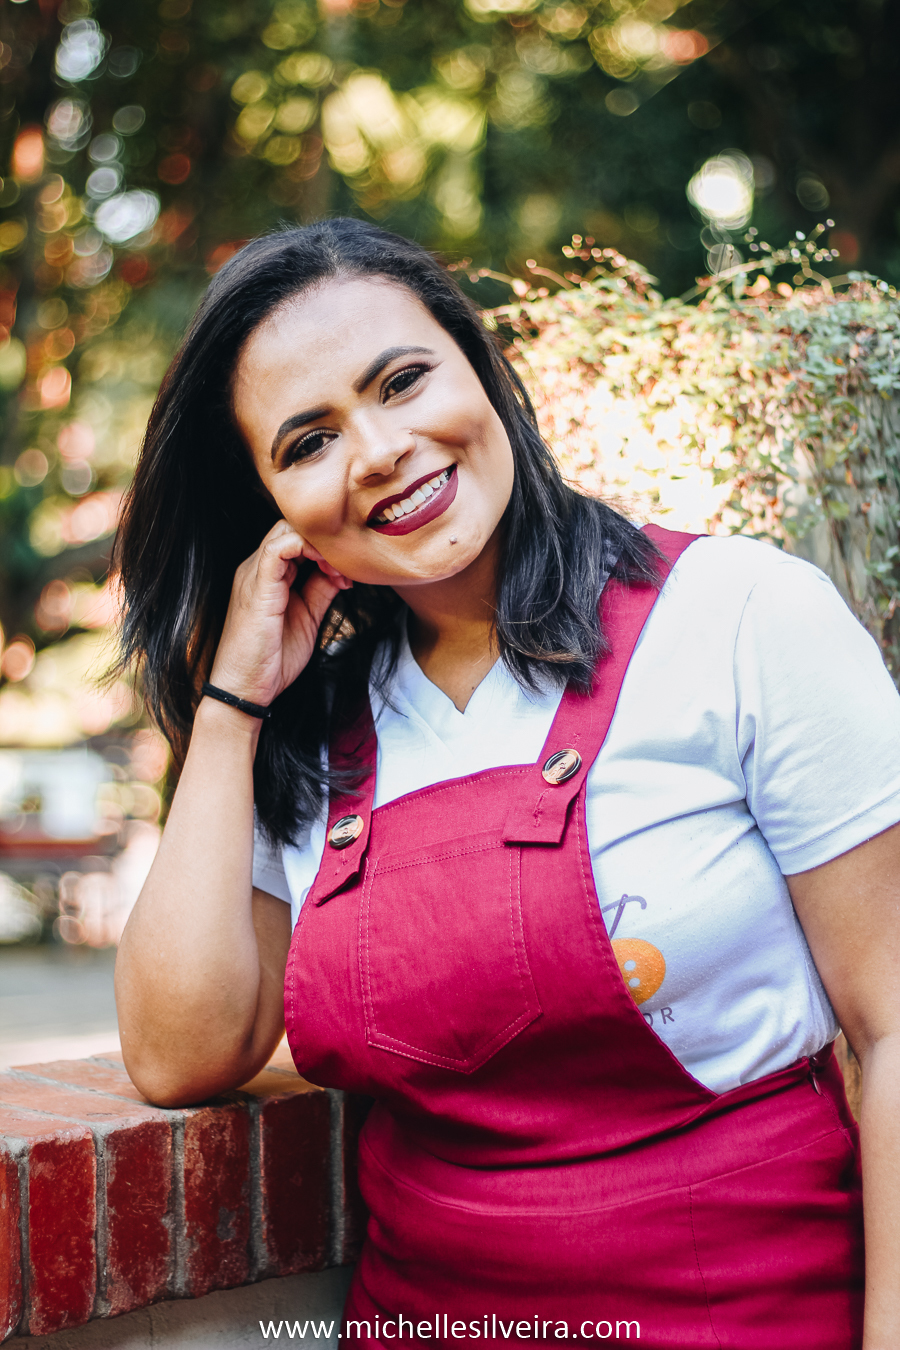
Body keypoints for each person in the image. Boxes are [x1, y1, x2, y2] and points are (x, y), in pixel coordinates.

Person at [114, 218, 900, 1350]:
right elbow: (178, 1052)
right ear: (271, 510)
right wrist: (233, 711)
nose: (380, 450)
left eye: (403, 380)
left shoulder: (738, 618)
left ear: (480, 366)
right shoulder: (314, 732)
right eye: (308, 441)